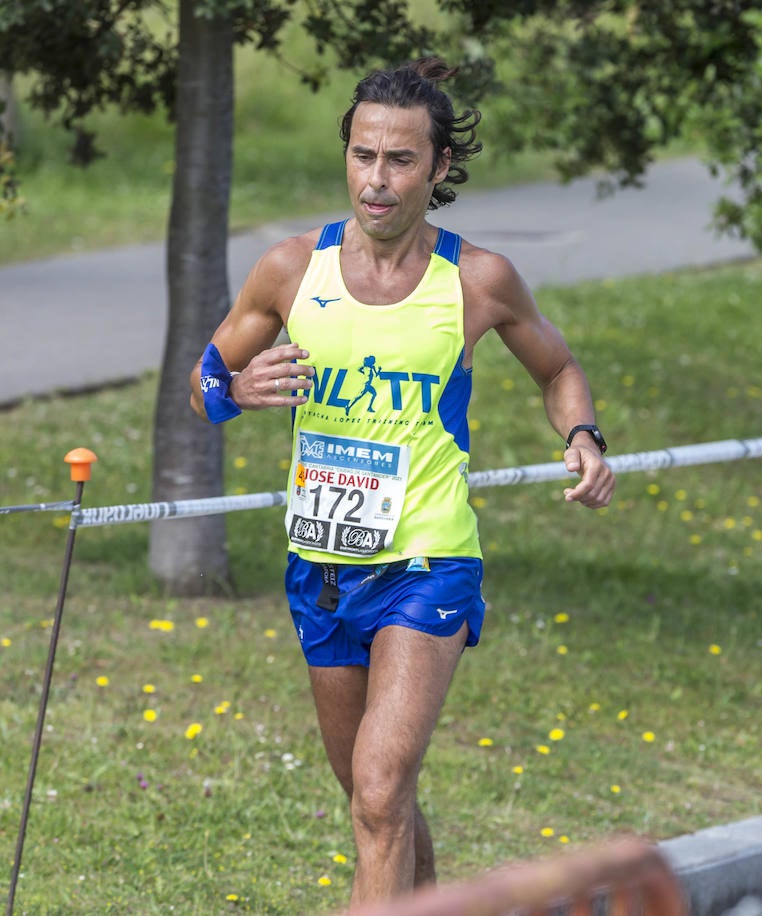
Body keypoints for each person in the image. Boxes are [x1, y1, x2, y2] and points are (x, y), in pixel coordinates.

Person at [189, 57, 615, 907]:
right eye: (362, 157)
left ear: (441, 167)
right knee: (371, 798)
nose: (376, 182)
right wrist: (232, 392)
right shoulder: (288, 269)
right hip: (323, 564)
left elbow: (557, 366)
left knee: (382, 788)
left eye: (400, 161)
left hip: (428, 562)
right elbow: (206, 376)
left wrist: (583, 434)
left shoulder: (477, 280)